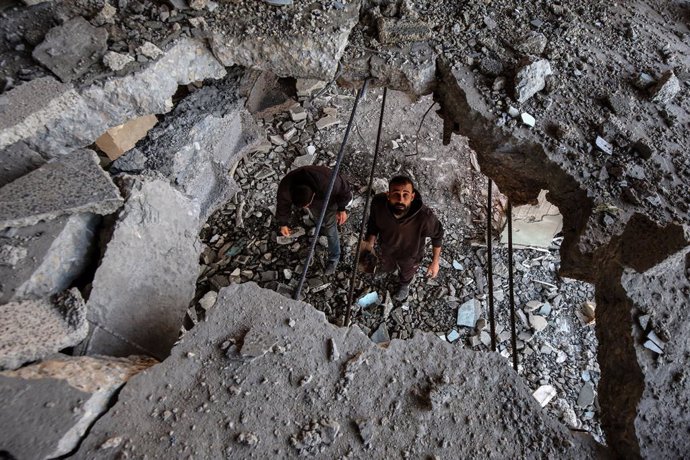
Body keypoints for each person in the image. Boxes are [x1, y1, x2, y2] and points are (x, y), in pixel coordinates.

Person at [362, 175, 443, 301]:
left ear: (412, 197)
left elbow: (438, 235)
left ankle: (404, 284)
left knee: (407, 272)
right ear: (388, 195)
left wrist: (435, 262)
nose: (400, 199)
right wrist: (370, 243)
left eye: (405, 194)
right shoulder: (378, 203)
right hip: (386, 248)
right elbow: (373, 222)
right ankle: (388, 269)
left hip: (411, 254)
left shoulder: (425, 218)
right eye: (396, 194)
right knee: (386, 264)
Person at [276, 165, 352, 275]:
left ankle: (334, 257)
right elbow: (283, 205)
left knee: (330, 229)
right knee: (317, 216)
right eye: (304, 207)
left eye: (307, 205)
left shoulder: (328, 181)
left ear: (313, 195)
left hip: (330, 198)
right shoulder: (285, 188)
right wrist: (283, 223)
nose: (306, 208)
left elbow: (344, 190)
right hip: (317, 199)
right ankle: (320, 226)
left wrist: (341, 208)